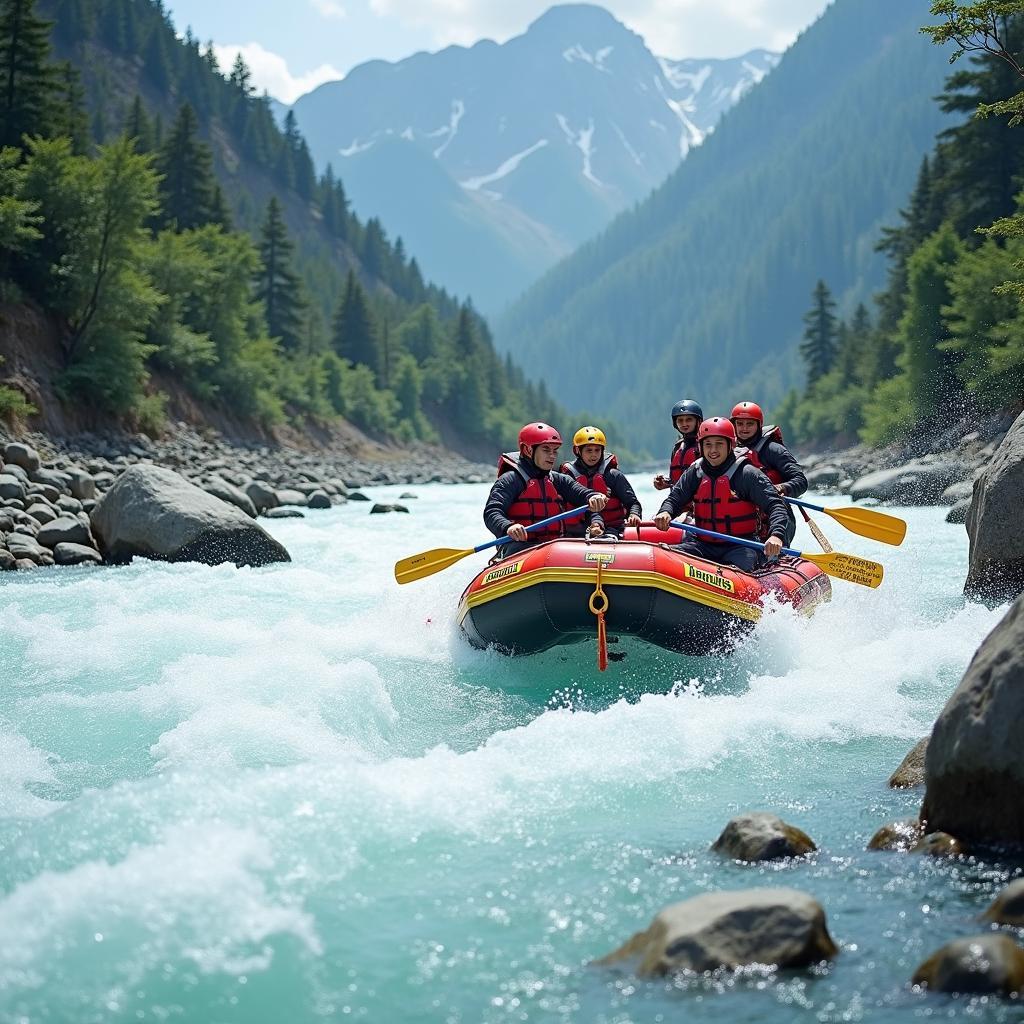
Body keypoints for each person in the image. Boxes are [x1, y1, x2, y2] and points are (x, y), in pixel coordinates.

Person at [653, 417, 788, 572]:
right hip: (702, 544)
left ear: (730, 445)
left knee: (740, 570)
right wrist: (665, 511)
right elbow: (675, 499)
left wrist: (776, 535)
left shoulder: (747, 474)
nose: (713, 450)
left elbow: (776, 506)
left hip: (741, 546)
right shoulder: (695, 472)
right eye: (708, 445)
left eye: (719, 444)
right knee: (666, 556)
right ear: (701, 446)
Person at [484, 422, 607, 557]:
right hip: (520, 549)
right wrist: (508, 527)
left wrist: (594, 496)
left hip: (554, 548)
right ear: (528, 450)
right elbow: (492, 512)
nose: (552, 456)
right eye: (546, 450)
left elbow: (580, 493)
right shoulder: (510, 480)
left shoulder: (558, 480)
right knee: (517, 547)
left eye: (555, 451)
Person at [730, 401, 807, 546]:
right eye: (740, 424)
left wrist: (782, 487)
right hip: (743, 519)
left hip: (776, 516)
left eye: (749, 424)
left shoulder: (773, 450)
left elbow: (801, 480)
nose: (744, 428)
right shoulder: (728, 451)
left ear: (758, 425)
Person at [560, 426, 642, 537]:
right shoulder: (568, 476)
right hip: (576, 533)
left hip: (613, 529)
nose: (594, 454)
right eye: (589, 450)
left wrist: (634, 514)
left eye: (597, 450)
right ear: (578, 451)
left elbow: (633, 503)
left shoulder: (613, 475)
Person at [653, 399, 703, 491]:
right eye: (680, 420)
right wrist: (665, 483)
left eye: (689, 420)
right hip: (678, 504)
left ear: (698, 421)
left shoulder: (705, 445)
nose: (684, 424)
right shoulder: (678, 447)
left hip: (698, 503)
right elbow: (676, 481)